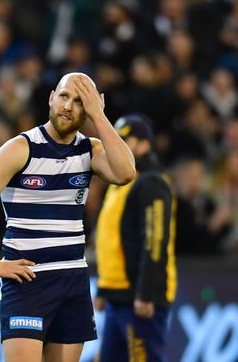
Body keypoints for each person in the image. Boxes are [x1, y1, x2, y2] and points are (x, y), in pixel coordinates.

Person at [0, 72, 136, 362]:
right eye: (64, 96)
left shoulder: (90, 150)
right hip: (28, 281)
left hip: (73, 279)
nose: (68, 106)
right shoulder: (22, 148)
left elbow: (126, 172)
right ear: (51, 97)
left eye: (79, 101)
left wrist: (100, 118)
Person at [94, 114, 177, 362]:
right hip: (117, 294)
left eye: (125, 140)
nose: (117, 146)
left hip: (138, 296)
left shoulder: (151, 183)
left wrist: (146, 293)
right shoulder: (119, 182)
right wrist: (103, 286)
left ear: (144, 145)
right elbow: (110, 238)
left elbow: (155, 241)